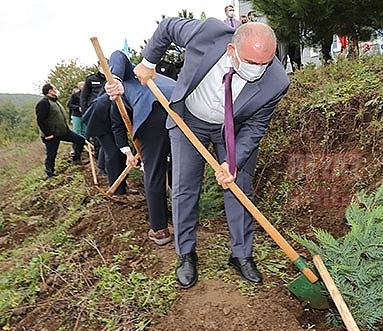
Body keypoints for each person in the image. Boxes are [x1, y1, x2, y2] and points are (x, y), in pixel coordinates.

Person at [133, 20, 290, 289]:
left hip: (234, 128)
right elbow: (167, 27)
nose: (258, 70)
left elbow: (256, 125)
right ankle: (186, 254)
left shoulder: (277, 81)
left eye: (265, 63)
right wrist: (148, 62)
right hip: (189, 119)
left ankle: (241, 254)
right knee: (184, 187)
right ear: (231, 50)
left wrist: (233, 161)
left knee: (239, 186)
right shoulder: (207, 34)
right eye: (251, 62)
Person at [104, 50, 175, 246]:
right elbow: (119, 126)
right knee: (179, 168)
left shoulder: (130, 72)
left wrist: (115, 79)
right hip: (181, 105)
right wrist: (128, 153)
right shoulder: (152, 74)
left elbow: (117, 54)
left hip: (155, 109)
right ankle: (184, 219)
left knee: (154, 172)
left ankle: (160, 229)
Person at [35, 83, 87, 178]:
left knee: (80, 140)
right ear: (50, 91)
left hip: (64, 132)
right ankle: (50, 173)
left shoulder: (55, 101)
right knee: (51, 154)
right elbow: (40, 120)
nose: (56, 90)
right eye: (55, 88)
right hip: (52, 135)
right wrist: (48, 134)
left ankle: (76, 159)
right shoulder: (44, 103)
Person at [83, 93, 129, 196]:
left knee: (120, 152)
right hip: (100, 120)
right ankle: (116, 189)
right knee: (113, 153)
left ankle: (122, 184)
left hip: (110, 117)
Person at [81, 63, 108, 176]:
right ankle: (100, 166)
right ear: (98, 66)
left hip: (107, 113)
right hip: (94, 113)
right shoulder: (91, 79)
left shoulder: (111, 78)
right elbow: (84, 96)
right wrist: (85, 112)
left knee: (107, 141)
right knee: (98, 141)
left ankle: (105, 165)